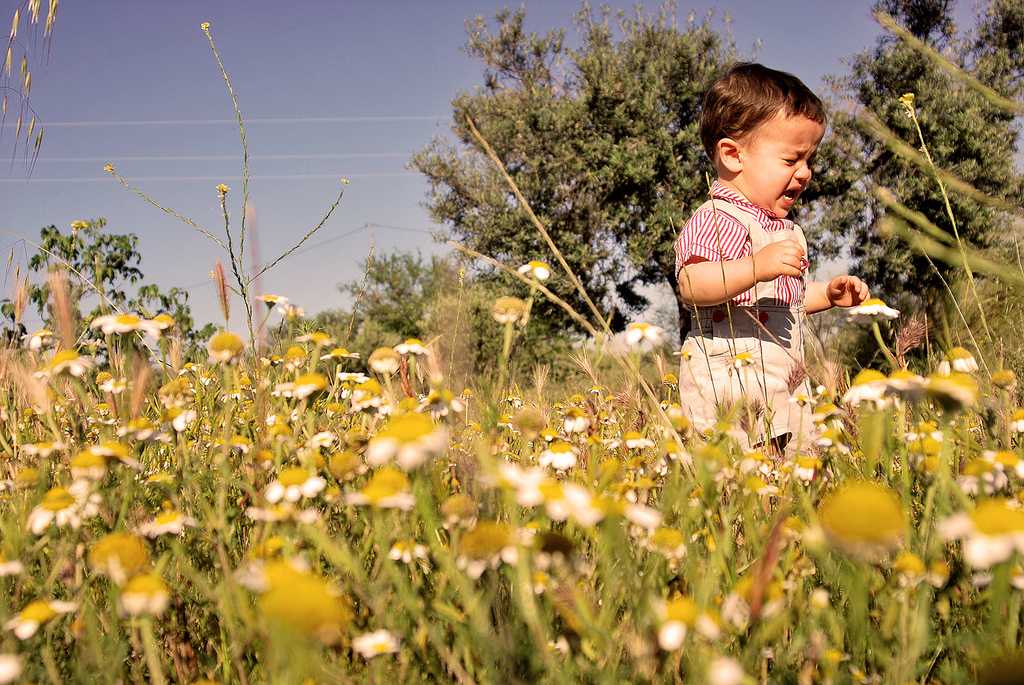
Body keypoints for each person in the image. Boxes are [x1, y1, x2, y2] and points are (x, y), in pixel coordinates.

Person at [675, 62, 869, 456]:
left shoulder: (786, 229)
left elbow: (786, 301)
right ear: (733, 155)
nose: (805, 173)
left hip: (785, 382)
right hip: (732, 384)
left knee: (796, 469)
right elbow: (692, 284)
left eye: (810, 160)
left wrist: (828, 295)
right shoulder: (717, 218)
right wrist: (753, 266)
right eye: (791, 159)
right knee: (741, 474)